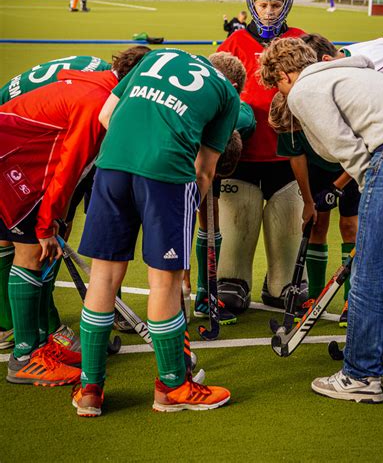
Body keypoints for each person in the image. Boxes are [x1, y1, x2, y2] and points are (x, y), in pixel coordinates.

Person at [260, 37, 383, 403]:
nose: (282, 95)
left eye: (277, 86)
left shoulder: (304, 88)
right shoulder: (353, 72)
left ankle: (360, 375)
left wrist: (369, 183)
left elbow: (343, 147)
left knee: (369, 271)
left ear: (283, 75)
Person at [73, 48, 240, 417]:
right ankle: (172, 387)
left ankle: (90, 389)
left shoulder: (157, 56)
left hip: (112, 163)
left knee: (103, 277)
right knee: (164, 283)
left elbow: (106, 115)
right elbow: (204, 172)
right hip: (166, 172)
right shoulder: (228, 95)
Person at [0, 48, 150, 351]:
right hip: (14, 162)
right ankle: (28, 355)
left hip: (18, 155)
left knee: (33, 244)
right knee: (31, 250)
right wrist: (46, 224)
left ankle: (45, 332)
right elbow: (69, 171)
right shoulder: (95, 105)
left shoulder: (97, 84)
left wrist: (55, 220)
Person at [216, 0, 306, 314]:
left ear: (287, 3)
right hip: (243, 158)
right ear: (251, 3)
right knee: (236, 227)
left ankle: (282, 283)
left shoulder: (302, 40)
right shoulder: (234, 43)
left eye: (275, 3)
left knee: (287, 233)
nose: (268, 10)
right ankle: (231, 280)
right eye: (262, 3)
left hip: (288, 157)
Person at [269, 92, 357, 325]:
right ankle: (317, 297)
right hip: (319, 167)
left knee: (350, 227)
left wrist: (336, 188)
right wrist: (308, 202)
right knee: (315, 225)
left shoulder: (331, 118)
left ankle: (353, 301)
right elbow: (297, 160)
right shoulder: (286, 122)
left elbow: (360, 153)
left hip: (351, 167)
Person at [192, 52, 255, 326]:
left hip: (204, 158)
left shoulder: (238, 113)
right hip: (164, 159)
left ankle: (205, 295)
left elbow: (244, 118)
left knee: (210, 218)